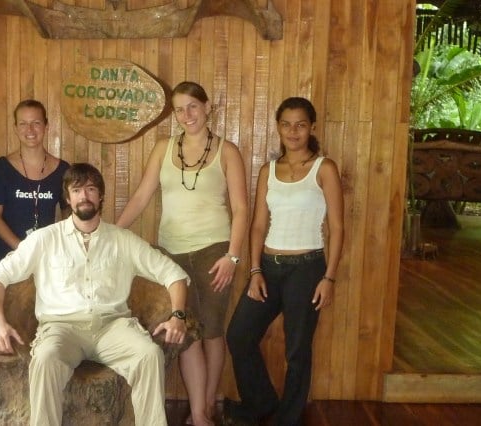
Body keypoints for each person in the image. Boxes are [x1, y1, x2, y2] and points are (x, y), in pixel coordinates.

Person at [0, 163, 190, 426]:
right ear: (67, 198)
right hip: (61, 328)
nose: (84, 196)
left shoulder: (122, 240)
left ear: (101, 196)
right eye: (77, 190)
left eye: (91, 189)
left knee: (149, 355)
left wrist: (178, 315)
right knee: (45, 360)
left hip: (112, 327)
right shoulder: (45, 239)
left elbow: (175, 275)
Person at [116, 81, 248, 426]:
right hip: (170, 254)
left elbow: (241, 209)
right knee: (187, 334)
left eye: (193, 106)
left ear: (208, 108)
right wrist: (112, 232)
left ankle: (203, 410)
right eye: (179, 108)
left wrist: (233, 256)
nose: (186, 114)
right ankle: (199, 410)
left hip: (214, 253)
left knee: (213, 332)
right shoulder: (163, 148)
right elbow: (143, 196)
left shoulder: (227, 151)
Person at [224, 97, 344, 426]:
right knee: (239, 335)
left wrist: (329, 278)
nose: (293, 131)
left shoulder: (324, 169)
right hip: (269, 267)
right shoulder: (268, 171)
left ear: (312, 128)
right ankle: (261, 402)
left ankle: (287, 419)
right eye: (286, 124)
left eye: (301, 124)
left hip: (307, 269)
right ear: (278, 128)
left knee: (297, 349)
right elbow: (259, 225)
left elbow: (336, 227)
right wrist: (255, 270)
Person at [0, 99, 70, 266]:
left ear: (46, 126)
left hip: (45, 257)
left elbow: (68, 212)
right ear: (16, 128)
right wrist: (23, 249)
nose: (30, 130)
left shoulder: (63, 169)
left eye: (36, 123)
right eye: (23, 123)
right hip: (7, 257)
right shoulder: (0, 167)